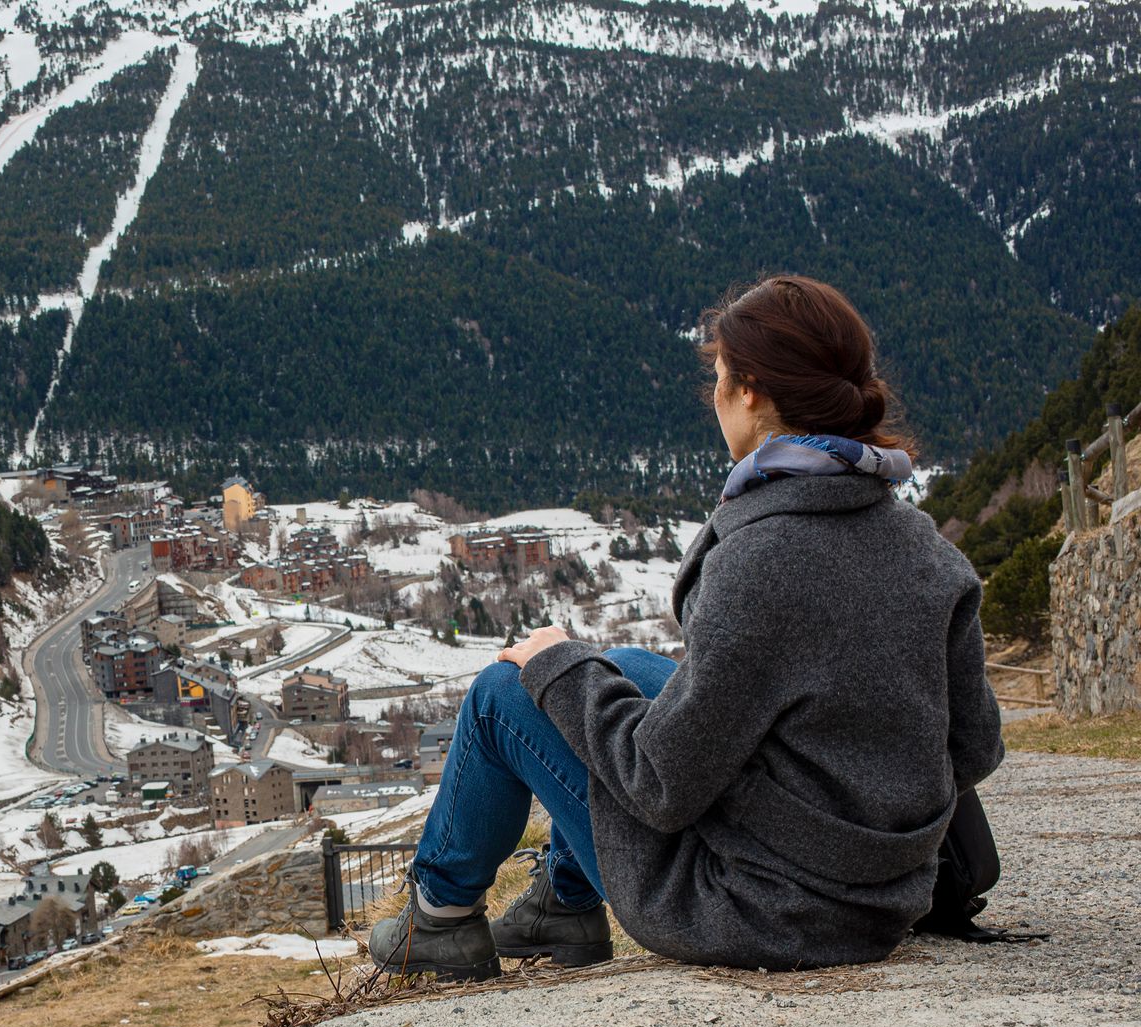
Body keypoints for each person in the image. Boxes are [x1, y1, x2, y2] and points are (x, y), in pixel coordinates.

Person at [370, 274, 1004, 977]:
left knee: (505, 692)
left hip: (761, 906)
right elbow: (974, 747)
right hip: (883, 895)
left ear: (752, 391)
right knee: (631, 667)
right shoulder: (928, 551)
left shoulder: (759, 561)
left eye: (721, 378)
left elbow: (660, 783)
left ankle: (440, 917)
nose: (716, 398)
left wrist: (556, 664)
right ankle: (566, 898)